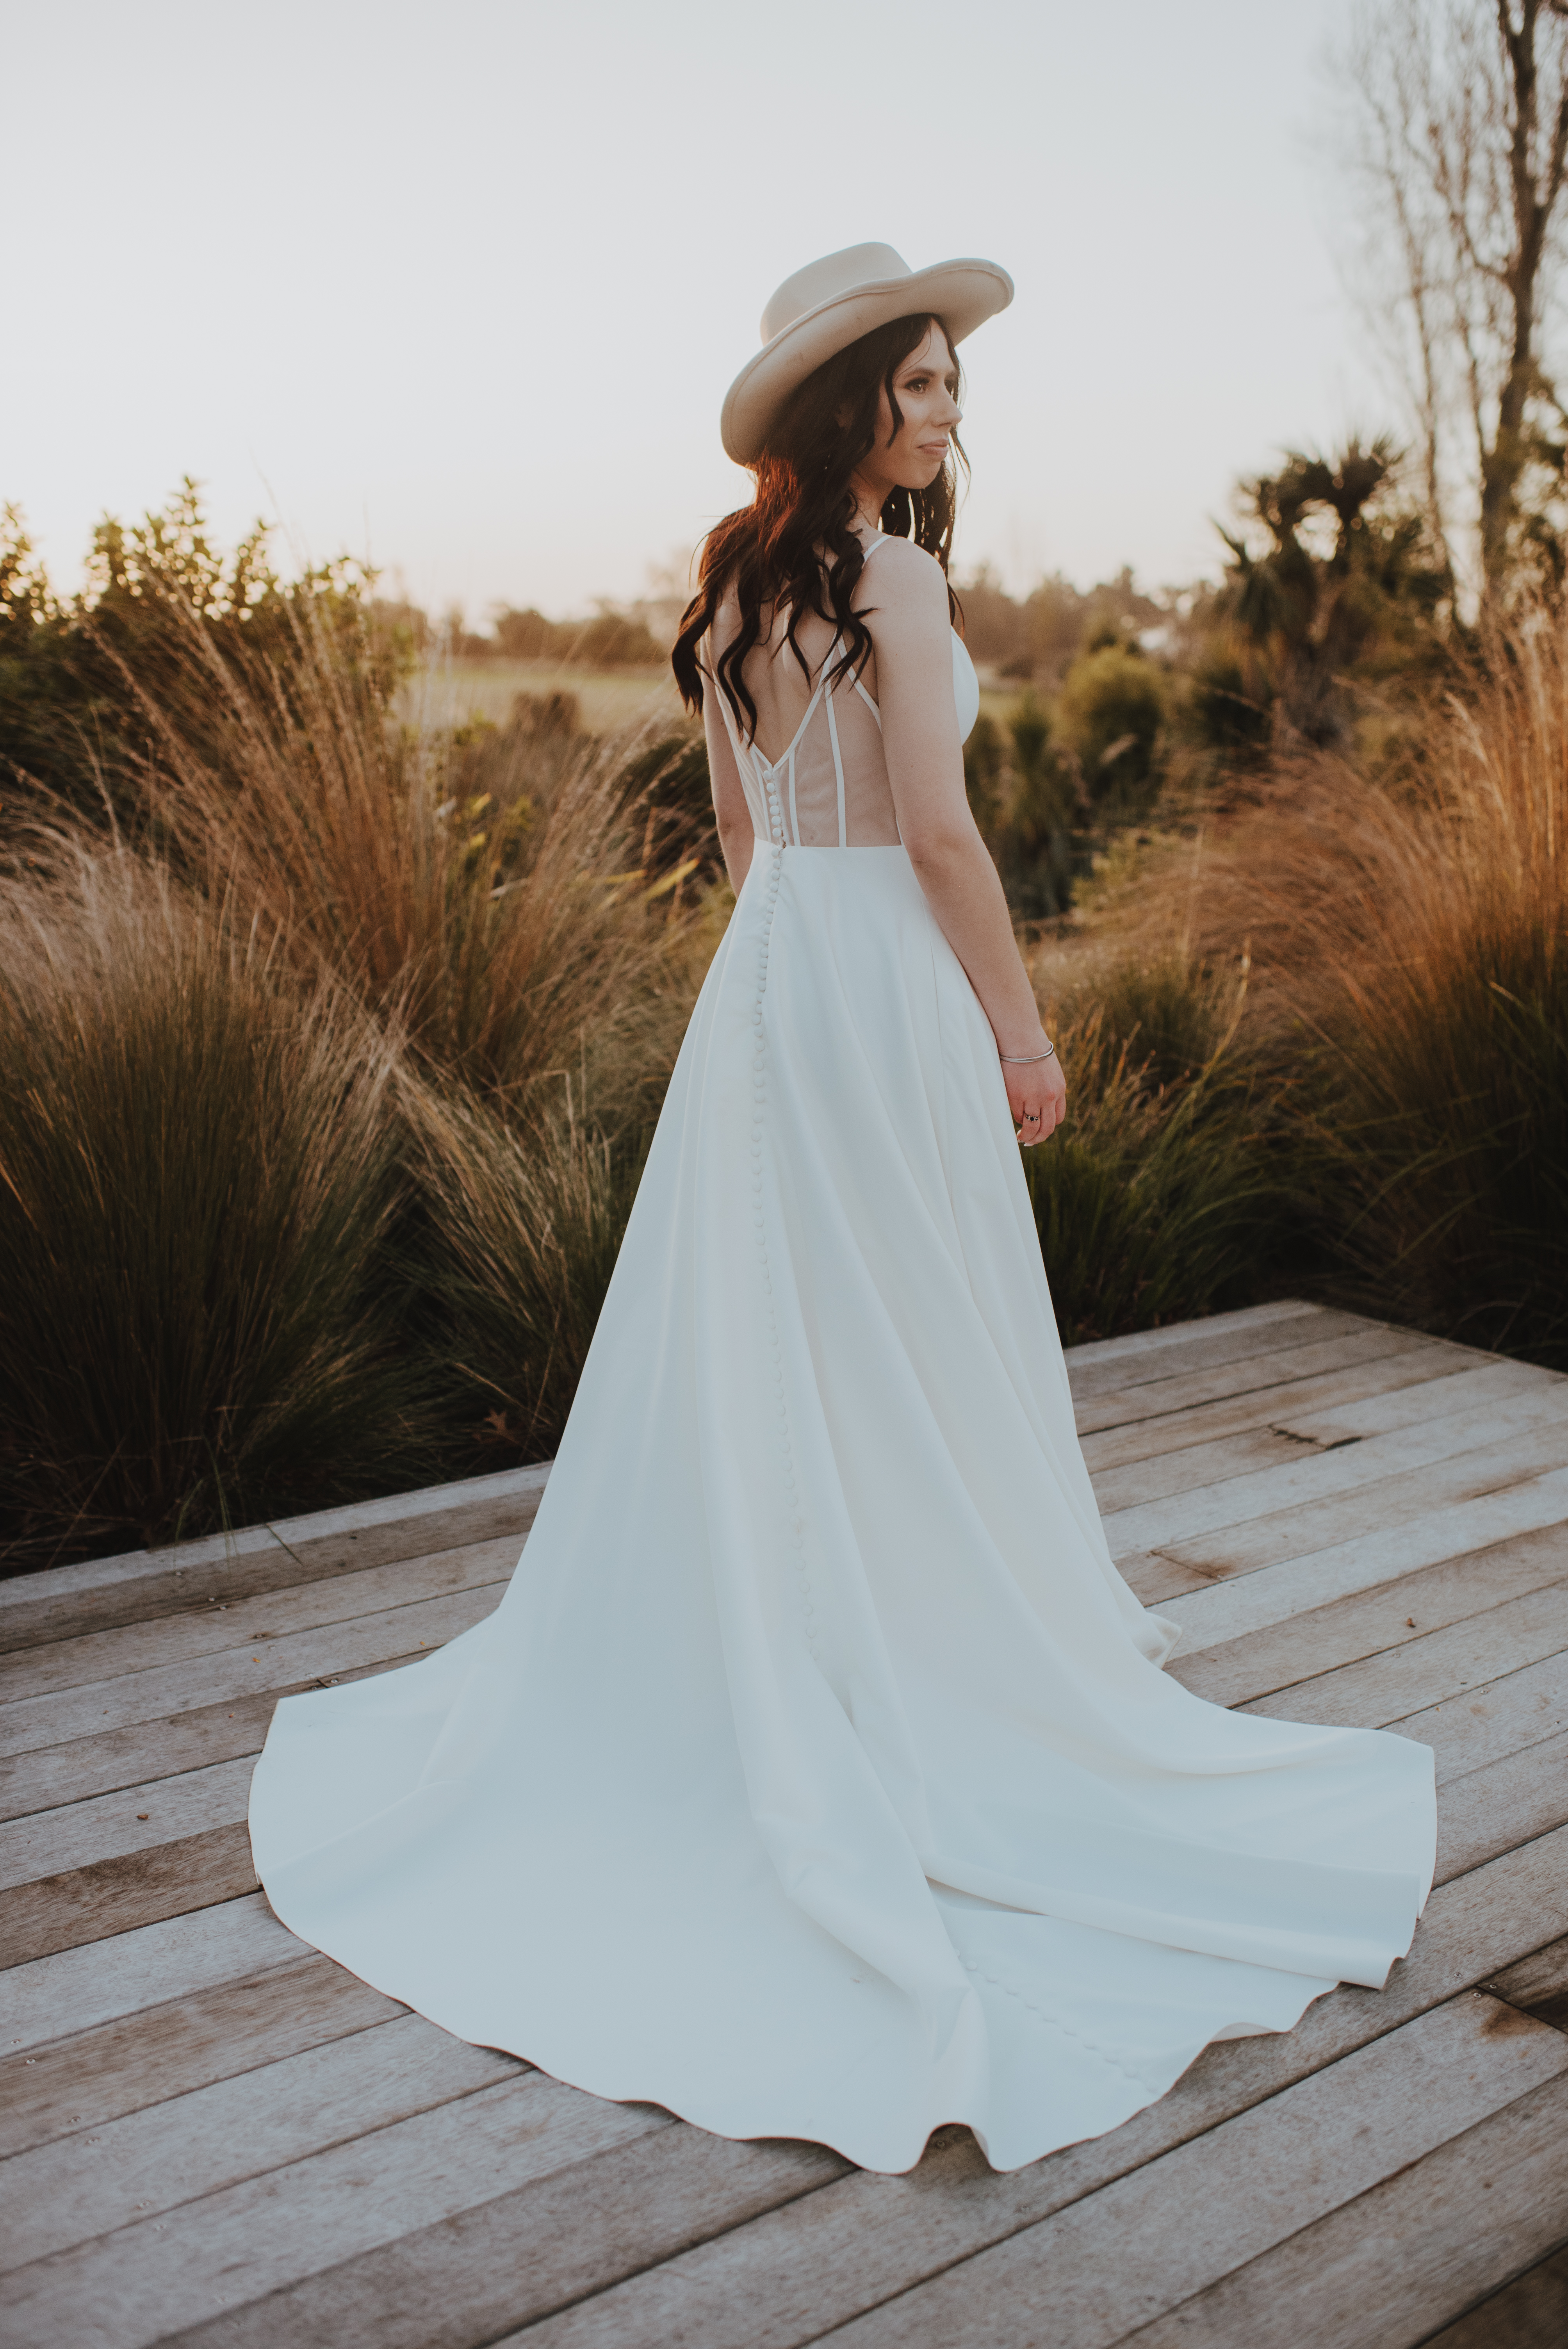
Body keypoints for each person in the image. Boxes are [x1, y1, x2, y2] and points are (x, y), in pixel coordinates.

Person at [250, 244, 1435, 2176]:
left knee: (777, 1331)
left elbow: (736, 836)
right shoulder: (892, 577)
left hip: (768, 982)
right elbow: (948, 835)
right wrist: (1020, 1024)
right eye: (924, 384)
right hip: (882, 978)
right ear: (849, 407)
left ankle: (797, 1647)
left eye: (954, 382)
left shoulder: (729, 585)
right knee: (914, 1327)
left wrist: (791, 946)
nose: (951, 410)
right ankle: (914, 1652)